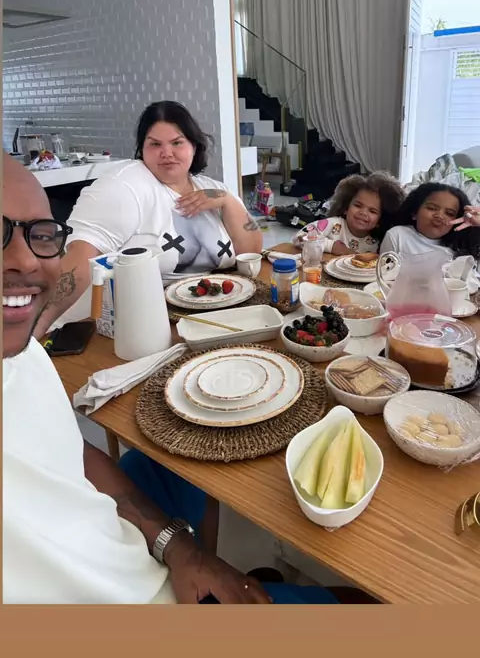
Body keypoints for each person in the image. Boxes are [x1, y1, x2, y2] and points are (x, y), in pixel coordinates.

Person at [3, 153, 342, 605]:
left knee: (192, 451)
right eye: (154, 143)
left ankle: (222, 558)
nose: (26, 260)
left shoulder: (23, 351)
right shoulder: (125, 190)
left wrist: (178, 548)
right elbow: (84, 252)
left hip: (113, 535)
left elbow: (68, 449)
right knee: (350, 602)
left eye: (41, 235)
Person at [34, 101, 263, 337]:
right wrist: (35, 328)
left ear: (194, 147)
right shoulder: (124, 185)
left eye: (177, 142)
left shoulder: (211, 188)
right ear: (142, 149)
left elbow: (251, 252)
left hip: (206, 317)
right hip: (133, 325)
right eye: (155, 144)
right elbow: (80, 258)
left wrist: (227, 201)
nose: (167, 153)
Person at [292, 172, 405, 255]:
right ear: (346, 207)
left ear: (381, 220)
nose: (363, 213)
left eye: (372, 211)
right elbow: (299, 237)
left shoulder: (381, 242)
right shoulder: (333, 224)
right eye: (358, 205)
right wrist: (332, 246)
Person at [380, 183, 480, 261]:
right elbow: (384, 275)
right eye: (432, 208)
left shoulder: (460, 246)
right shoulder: (398, 236)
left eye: (449, 213)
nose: (439, 216)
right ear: (414, 212)